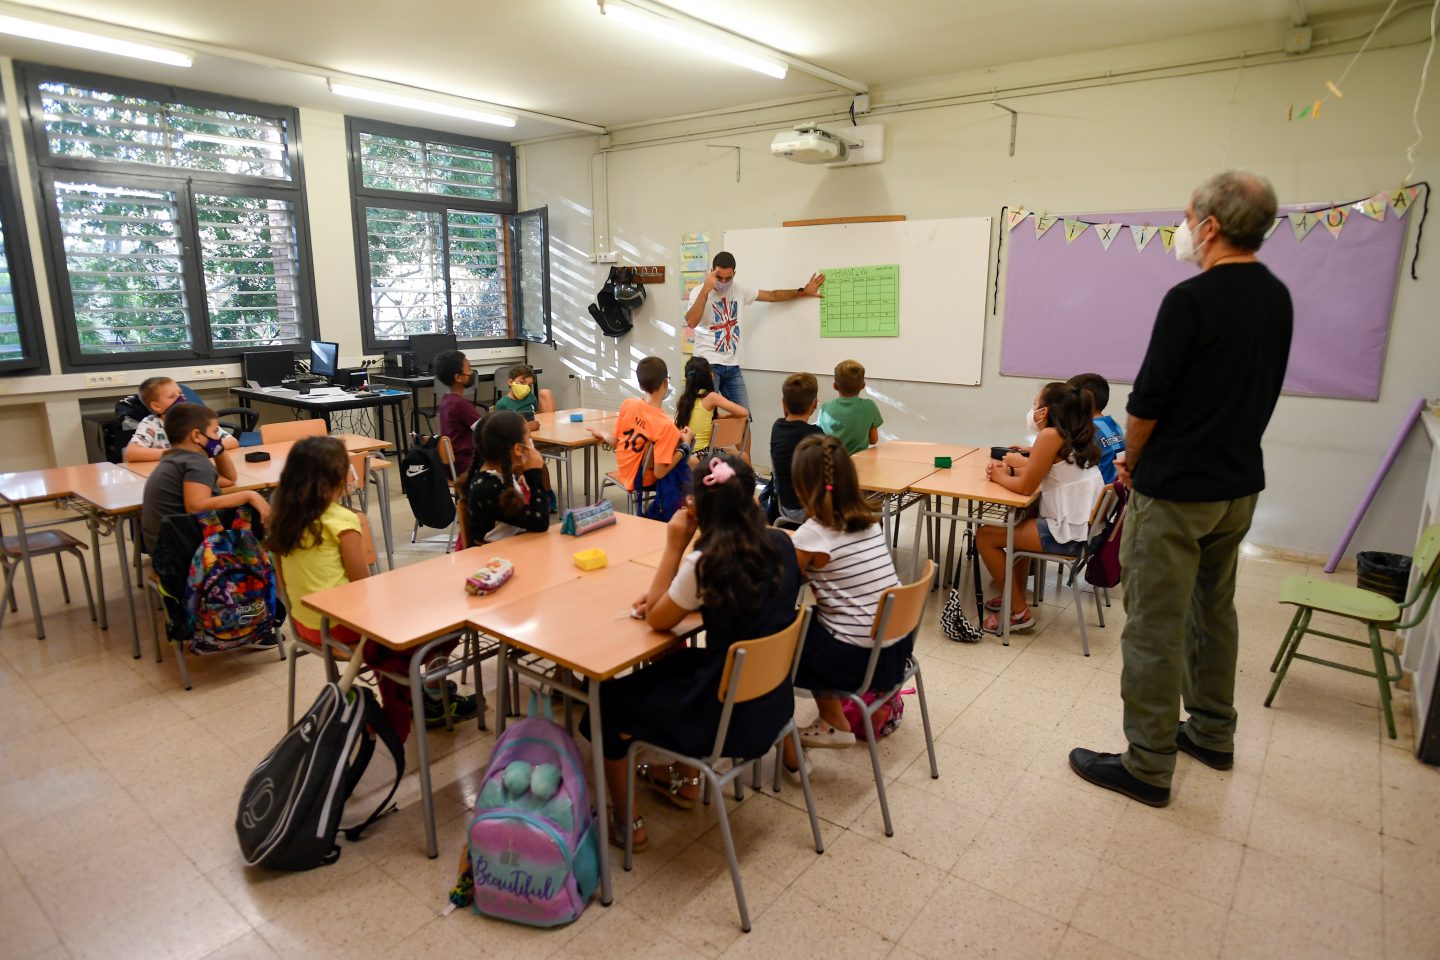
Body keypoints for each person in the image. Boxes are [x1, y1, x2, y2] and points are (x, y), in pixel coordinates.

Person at [1069, 171, 1293, 808]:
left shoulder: (1190, 300)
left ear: (1212, 226)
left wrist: (1130, 462)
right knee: (1214, 612)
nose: (1184, 229)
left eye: (1189, 217)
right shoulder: (1277, 298)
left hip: (1174, 493)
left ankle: (1146, 764)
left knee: (1154, 628)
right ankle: (1214, 732)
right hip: (1239, 486)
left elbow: (1147, 403)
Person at [579, 453, 801, 850]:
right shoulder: (783, 543)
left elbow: (659, 620)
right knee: (675, 659)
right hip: (773, 705)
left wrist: (675, 545)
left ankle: (627, 824)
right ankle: (683, 781)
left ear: (700, 507)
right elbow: (741, 599)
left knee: (605, 700)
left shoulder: (706, 563)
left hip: (723, 717)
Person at [268, 436, 477, 739]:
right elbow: (364, 587)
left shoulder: (281, 519)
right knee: (445, 623)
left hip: (306, 625)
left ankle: (426, 692)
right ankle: (428, 697)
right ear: (338, 478)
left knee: (417, 615)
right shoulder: (342, 520)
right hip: (344, 627)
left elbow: (283, 584)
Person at [781, 435, 910, 761]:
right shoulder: (870, 524)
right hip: (894, 649)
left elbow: (781, 584)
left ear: (800, 487)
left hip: (855, 659)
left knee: (784, 630)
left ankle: (832, 721)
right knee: (814, 620)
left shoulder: (813, 533)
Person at [976, 382, 1103, 635]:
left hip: (1070, 537)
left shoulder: (1049, 435)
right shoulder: (1074, 433)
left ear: (1044, 412)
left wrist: (997, 476)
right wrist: (1011, 469)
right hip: (1089, 531)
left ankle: (1019, 613)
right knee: (1023, 519)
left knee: (985, 536)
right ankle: (1014, 595)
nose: (1032, 409)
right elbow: (1044, 472)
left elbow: (1025, 488)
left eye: (1035, 405)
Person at [684, 251, 825, 454]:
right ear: (711, 272)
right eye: (719, 277)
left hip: (732, 366)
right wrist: (706, 290)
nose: (723, 282)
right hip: (707, 367)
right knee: (704, 418)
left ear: (735, 274)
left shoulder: (740, 290)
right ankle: (699, 464)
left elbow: (773, 296)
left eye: (728, 278)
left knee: (744, 417)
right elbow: (691, 322)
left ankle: (746, 467)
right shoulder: (699, 291)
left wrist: (803, 291)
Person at [140, 403, 268, 552]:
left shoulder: (175, 458)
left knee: (242, 503)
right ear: (196, 436)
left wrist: (217, 449)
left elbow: (228, 479)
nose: (218, 437)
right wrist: (249, 495)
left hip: (166, 546)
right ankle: (252, 565)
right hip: (182, 550)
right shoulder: (196, 462)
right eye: (215, 432)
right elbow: (195, 506)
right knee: (252, 509)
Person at [586, 356, 692, 492]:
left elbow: (616, 442)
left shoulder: (627, 404)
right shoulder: (666, 426)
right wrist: (685, 446)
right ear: (666, 383)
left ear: (641, 386)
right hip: (643, 481)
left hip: (625, 473)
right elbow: (659, 473)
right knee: (690, 465)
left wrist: (601, 433)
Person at [465, 412, 551, 544]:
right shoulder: (487, 488)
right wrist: (534, 474)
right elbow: (540, 522)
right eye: (529, 438)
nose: (531, 442)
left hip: (509, 545)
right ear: (518, 449)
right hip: (492, 556)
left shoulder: (496, 475)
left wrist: (520, 480)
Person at [126, 377, 237, 463]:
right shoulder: (151, 424)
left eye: (180, 393)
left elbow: (232, 441)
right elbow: (131, 453)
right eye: (172, 396)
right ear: (156, 407)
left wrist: (201, 449)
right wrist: (177, 453)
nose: (181, 398)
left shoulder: (197, 418)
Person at [770, 372, 823, 524]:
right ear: (815, 403)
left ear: (783, 403)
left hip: (784, 505)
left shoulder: (777, 426)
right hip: (807, 510)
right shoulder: (817, 436)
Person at [673, 356, 748, 461]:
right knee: (743, 456)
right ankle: (750, 477)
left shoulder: (684, 399)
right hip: (703, 454)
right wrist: (725, 418)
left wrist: (719, 418)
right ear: (710, 376)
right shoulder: (711, 397)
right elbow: (744, 412)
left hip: (683, 452)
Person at [1067, 372, 1126, 485]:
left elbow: (1066, 464)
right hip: (1115, 493)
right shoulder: (1112, 424)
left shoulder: (1089, 429)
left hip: (1096, 493)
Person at [434, 350, 484, 478]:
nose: (472, 372)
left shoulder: (446, 400)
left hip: (451, 464)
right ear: (458, 377)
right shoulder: (461, 404)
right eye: (469, 369)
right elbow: (485, 431)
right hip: (465, 465)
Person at [818, 359, 883, 455]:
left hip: (832, 462)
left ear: (835, 386)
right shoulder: (870, 406)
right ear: (863, 386)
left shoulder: (825, 408)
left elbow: (820, 438)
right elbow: (873, 440)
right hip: (860, 463)